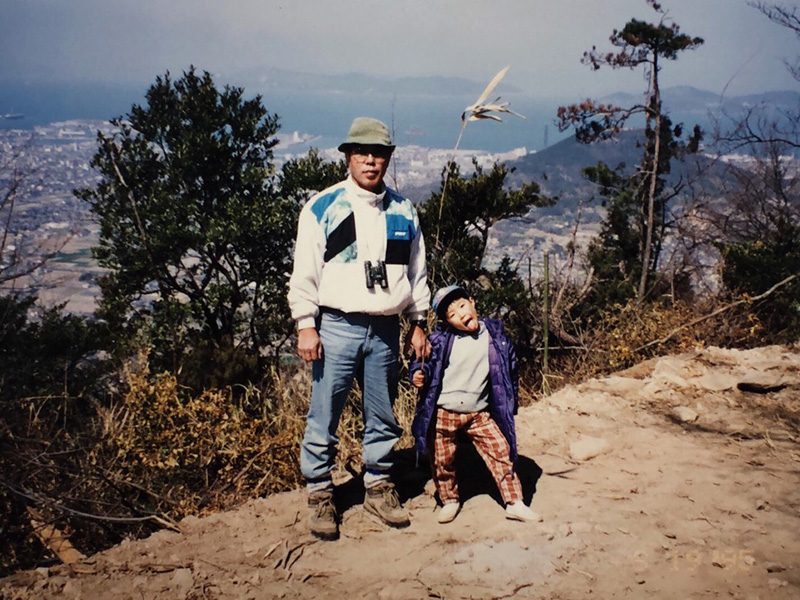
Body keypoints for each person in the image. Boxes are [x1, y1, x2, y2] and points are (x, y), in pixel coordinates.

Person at [288, 117, 431, 540]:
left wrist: (418, 322)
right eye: (362, 153)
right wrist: (305, 325)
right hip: (337, 325)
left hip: (386, 328)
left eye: (379, 154)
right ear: (348, 156)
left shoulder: (404, 210)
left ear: (388, 158)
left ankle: (378, 486)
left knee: (382, 413)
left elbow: (417, 273)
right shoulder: (323, 207)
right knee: (325, 413)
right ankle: (319, 493)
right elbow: (304, 274)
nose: (371, 161)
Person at [409, 285, 540, 524]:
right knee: (442, 460)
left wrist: (511, 403)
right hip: (444, 412)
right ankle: (449, 500)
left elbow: (509, 373)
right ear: (447, 322)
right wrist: (418, 373)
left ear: (472, 302)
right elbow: (422, 362)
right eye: (451, 314)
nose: (460, 314)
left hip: (479, 411)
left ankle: (514, 502)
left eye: (461, 306)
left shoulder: (496, 338)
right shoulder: (440, 341)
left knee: (500, 450)